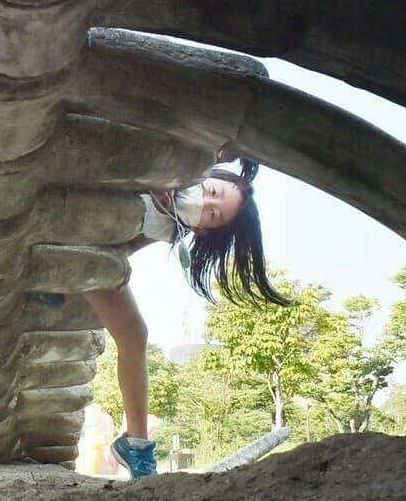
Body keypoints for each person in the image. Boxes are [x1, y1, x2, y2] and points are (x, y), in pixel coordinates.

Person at [85, 158, 288, 479]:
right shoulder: (163, 162)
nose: (206, 201)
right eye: (211, 191)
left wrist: (106, 265)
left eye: (212, 213)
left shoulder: (171, 226)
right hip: (76, 207)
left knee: (135, 335)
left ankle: (135, 444)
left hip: (89, 253)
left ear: (203, 230)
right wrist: (154, 181)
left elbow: (124, 249)